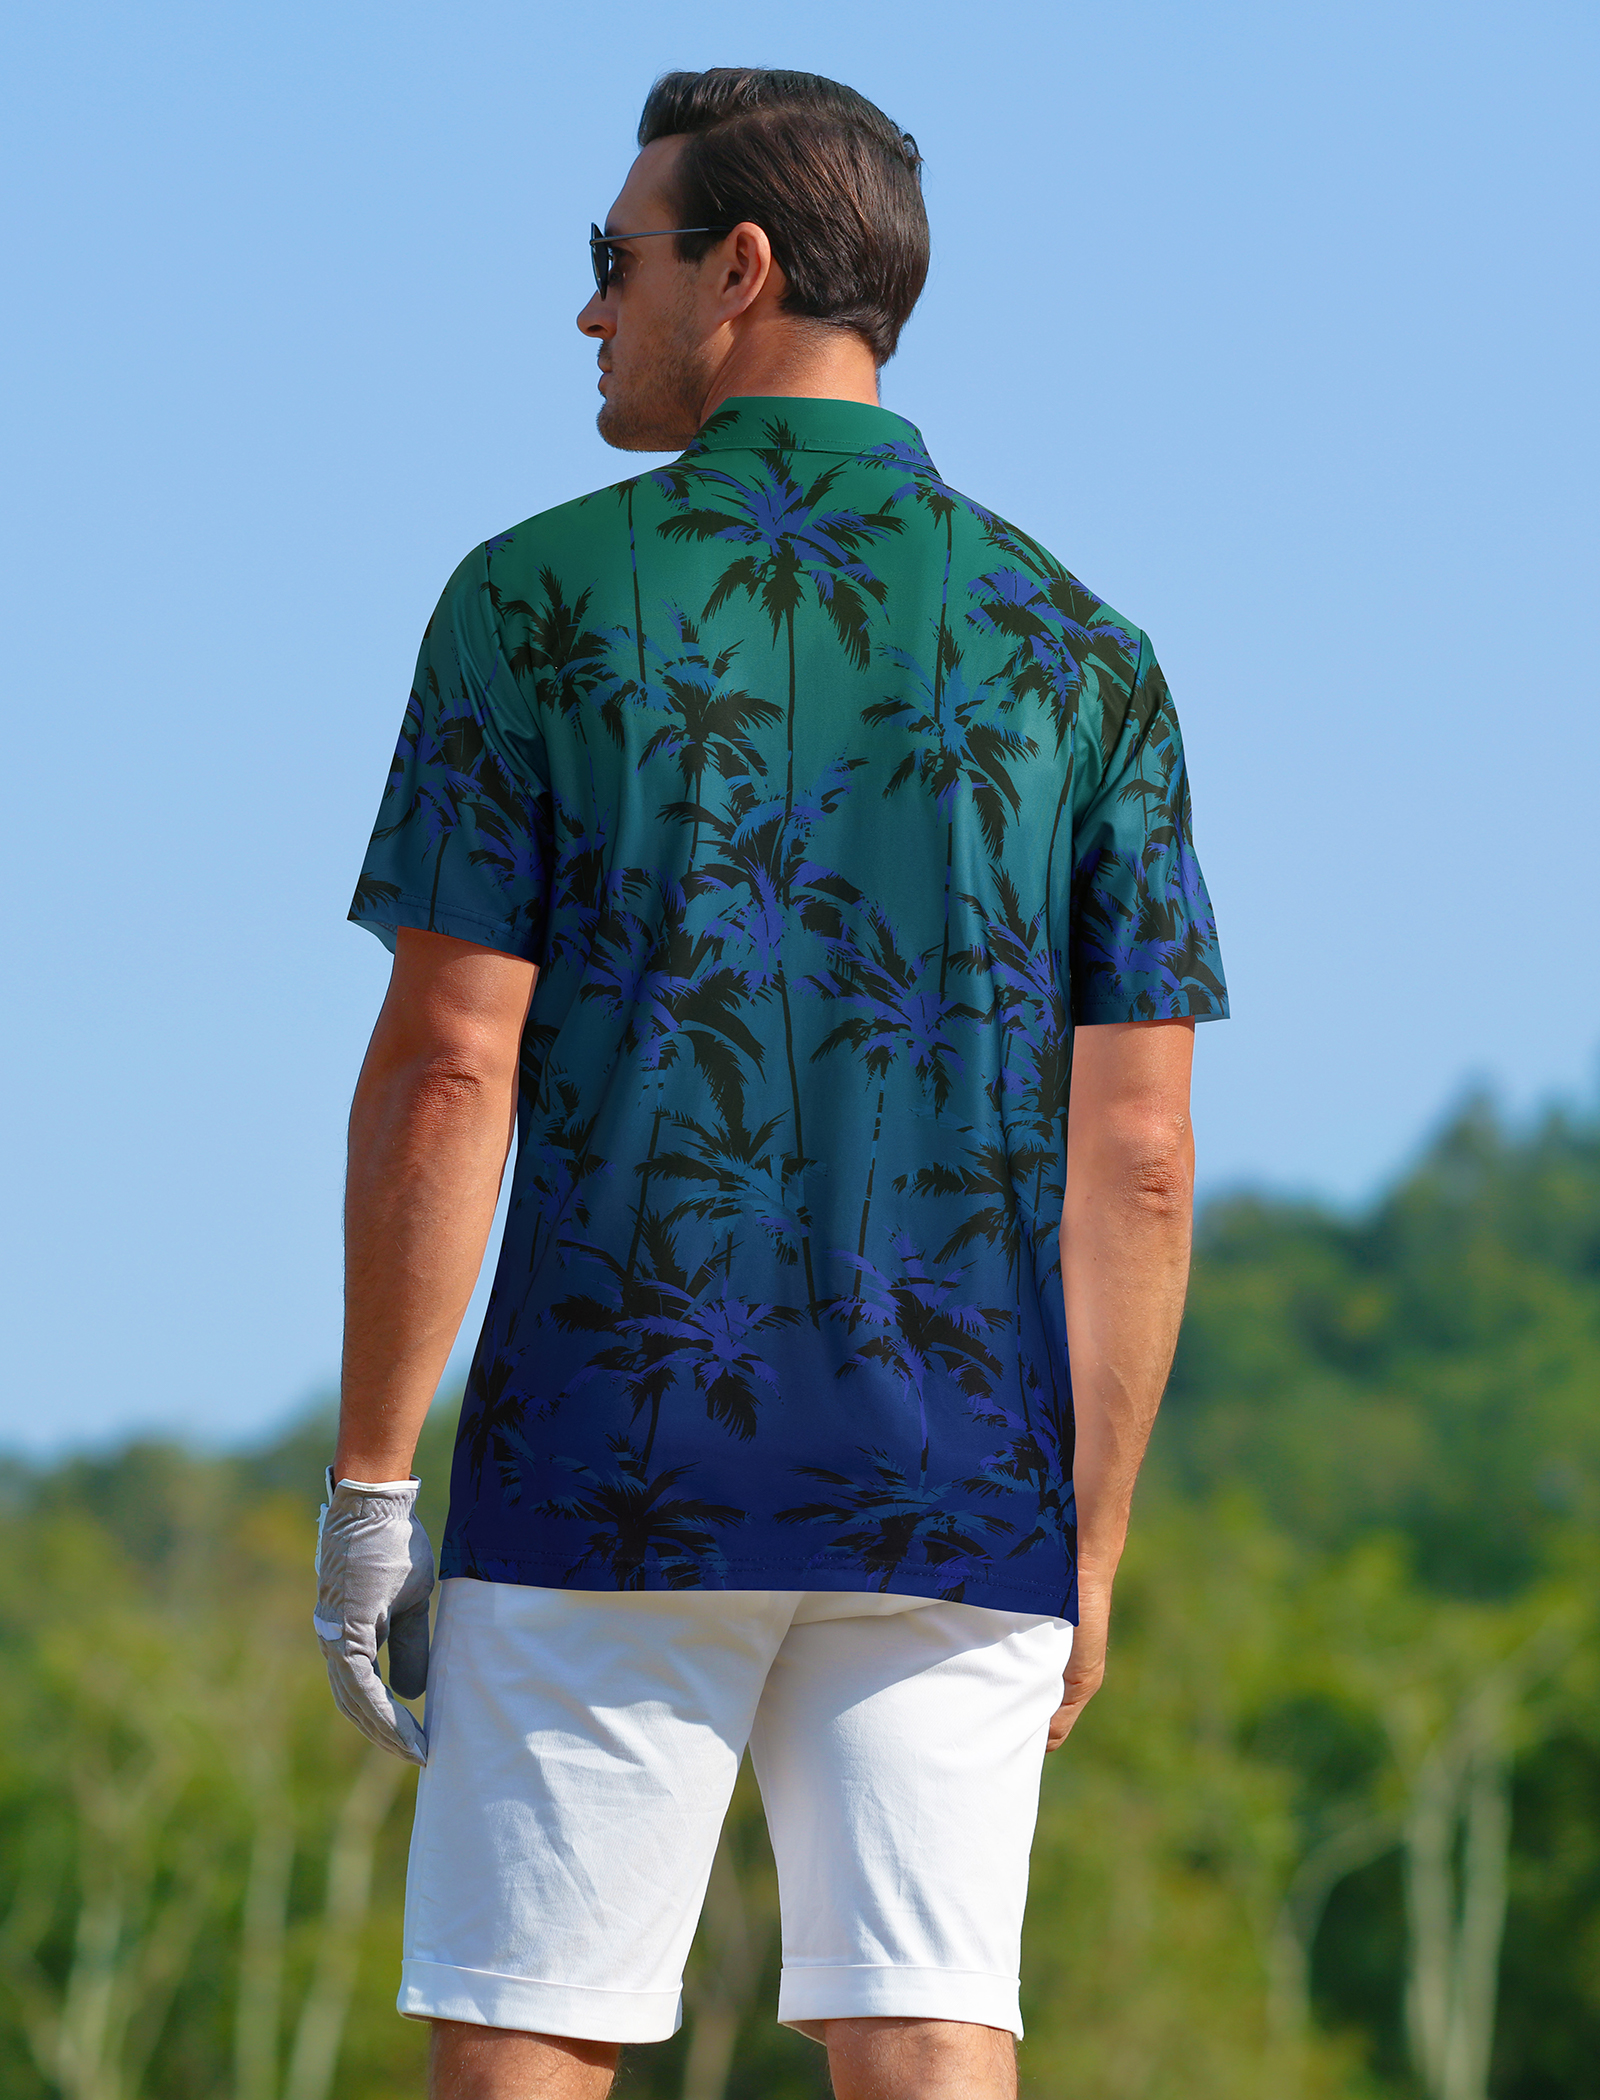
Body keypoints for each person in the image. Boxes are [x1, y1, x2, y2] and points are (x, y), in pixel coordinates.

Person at [315, 65, 1228, 2100]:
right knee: (929, 2036)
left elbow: (450, 1069)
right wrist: (1084, 1537)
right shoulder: (1086, 654)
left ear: (737, 270)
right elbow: (1141, 1157)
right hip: (961, 1477)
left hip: (606, 1454)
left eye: (612, 257)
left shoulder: (530, 601)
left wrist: (374, 1490)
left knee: (527, 2037)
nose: (589, 309)